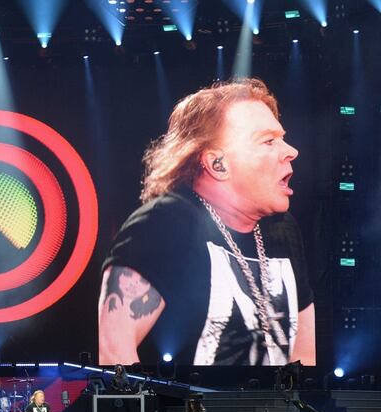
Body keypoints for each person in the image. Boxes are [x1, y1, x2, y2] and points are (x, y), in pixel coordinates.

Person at [98, 78, 316, 366]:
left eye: (282, 138)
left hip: (272, 410)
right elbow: (113, 350)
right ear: (217, 164)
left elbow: (304, 353)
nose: (290, 151)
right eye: (268, 141)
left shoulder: (282, 229)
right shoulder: (163, 224)